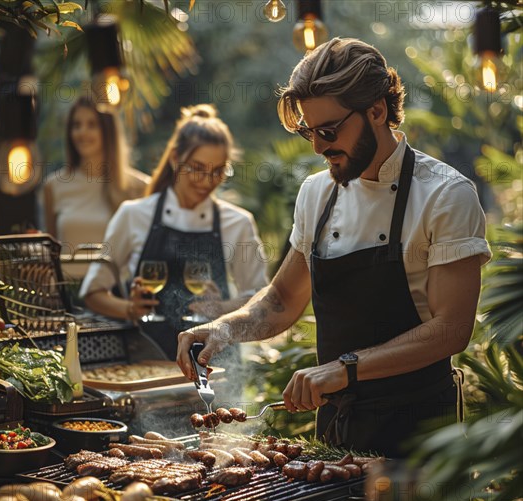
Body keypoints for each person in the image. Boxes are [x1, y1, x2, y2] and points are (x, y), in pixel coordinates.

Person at [177, 38, 491, 458]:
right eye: (309, 131)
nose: (317, 146)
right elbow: (283, 299)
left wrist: (345, 369)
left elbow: (450, 330)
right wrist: (225, 329)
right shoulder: (317, 193)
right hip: (337, 436)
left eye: (328, 131)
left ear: (377, 111)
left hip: (421, 436)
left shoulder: (445, 195)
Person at [81, 104, 269, 359]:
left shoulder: (238, 222)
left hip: (216, 364)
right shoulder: (133, 215)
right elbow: (93, 291)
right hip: (147, 362)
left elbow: (261, 299)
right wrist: (130, 308)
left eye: (218, 171)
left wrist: (222, 307)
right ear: (174, 159)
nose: (206, 181)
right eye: (197, 169)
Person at [43, 96, 149, 276]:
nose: (82, 132)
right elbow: (51, 253)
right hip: (66, 297)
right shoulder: (53, 186)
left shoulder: (139, 187)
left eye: (92, 125)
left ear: (108, 131)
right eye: (76, 125)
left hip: (118, 298)